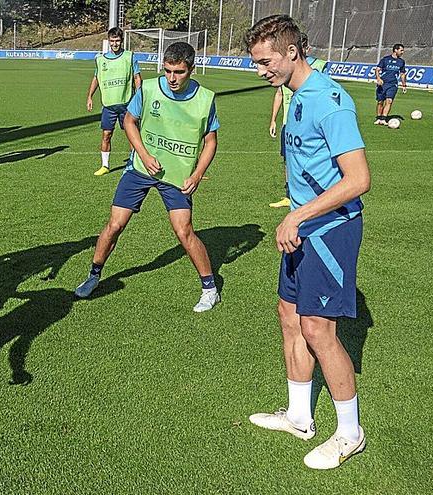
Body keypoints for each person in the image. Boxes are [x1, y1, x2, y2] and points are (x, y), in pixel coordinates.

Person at [246, 14, 372, 470]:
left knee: (319, 328)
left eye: (265, 62)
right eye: (256, 63)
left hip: (331, 230)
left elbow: (359, 179)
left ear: (292, 52)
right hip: (304, 227)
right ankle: (299, 416)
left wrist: (298, 214)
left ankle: (350, 432)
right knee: (289, 316)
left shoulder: (329, 101)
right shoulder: (294, 93)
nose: (260, 71)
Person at [74, 42, 221, 313]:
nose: (172, 78)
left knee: (184, 231)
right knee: (114, 225)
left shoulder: (205, 99)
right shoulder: (149, 89)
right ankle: (93, 275)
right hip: (140, 170)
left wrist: (198, 174)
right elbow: (130, 121)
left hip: (177, 176)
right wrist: (142, 153)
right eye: (167, 71)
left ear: (191, 69)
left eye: (179, 72)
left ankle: (210, 288)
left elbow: (211, 141)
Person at [268, 33, 327, 208]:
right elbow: (279, 94)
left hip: (310, 125)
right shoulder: (284, 70)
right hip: (289, 123)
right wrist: (273, 120)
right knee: (288, 159)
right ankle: (290, 194)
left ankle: (315, 193)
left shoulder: (319, 67)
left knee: (313, 158)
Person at [86, 27, 142, 176]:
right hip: (109, 106)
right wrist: (90, 96)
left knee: (131, 135)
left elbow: (137, 77)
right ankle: (105, 165)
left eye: (117, 40)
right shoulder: (100, 59)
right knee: (106, 135)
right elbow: (96, 78)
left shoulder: (130, 57)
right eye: (112, 41)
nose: (115, 43)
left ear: (122, 41)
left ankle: (133, 164)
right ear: (108, 41)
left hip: (127, 104)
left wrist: (140, 97)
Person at [373, 44, 407, 125]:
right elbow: (377, 70)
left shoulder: (401, 62)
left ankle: (384, 118)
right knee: (380, 102)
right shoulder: (385, 59)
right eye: (401, 50)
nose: (402, 52)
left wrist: (404, 85)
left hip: (393, 84)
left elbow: (402, 74)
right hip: (382, 84)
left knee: (389, 101)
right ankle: (379, 118)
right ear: (395, 50)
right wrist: (378, 78)